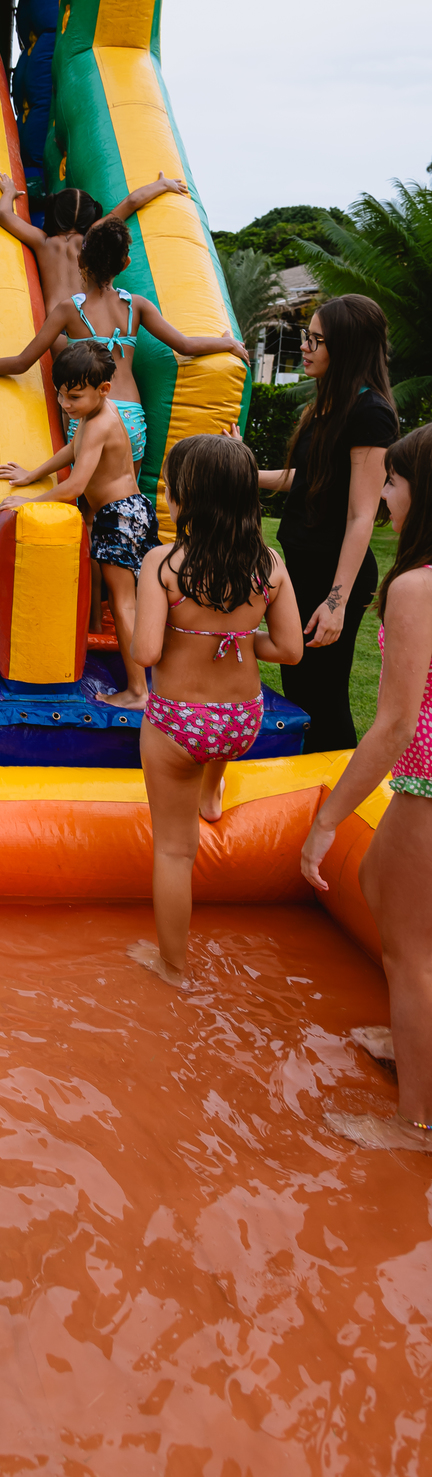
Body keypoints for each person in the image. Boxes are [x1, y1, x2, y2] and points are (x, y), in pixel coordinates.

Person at [128, 434, 303, 987]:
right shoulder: (269, 565)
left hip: (181, 724)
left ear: (188, 499)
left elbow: (148, 652)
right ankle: (212, 793)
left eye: (172, 488)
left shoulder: (164, 563)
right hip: (243, 721)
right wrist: (237, 637)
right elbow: (290, 649)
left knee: (176, 852)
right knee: (219, 740)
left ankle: (172, 968)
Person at [300, 425, 432, 1151]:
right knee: (381, 882)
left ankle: (416, 1121)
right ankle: (412, 1040)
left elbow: (393, 723)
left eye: (393, 481)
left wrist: (327, 820)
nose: (383, 495)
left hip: (426, 781)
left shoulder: (416, 586)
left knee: (411, 950)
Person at [0, 214, 249, 471]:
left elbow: (22, 362)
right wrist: (226, 343)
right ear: (126, 263)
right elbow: (185, 345)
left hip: (89, 414)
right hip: (130, 418)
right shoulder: (137, 306)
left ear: (81, 259)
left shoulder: (69, 310)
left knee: (90, 507)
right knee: (126, 501)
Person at [249, 294, 398, 753]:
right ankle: (311, 795)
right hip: (302, 567)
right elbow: (307, 479)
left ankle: (339, 801)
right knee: (300, 691)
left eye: (316, 339)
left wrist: (336, 601)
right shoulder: (328, 404)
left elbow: (361, 515)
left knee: (324, 697)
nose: (305, 347)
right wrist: (243, 470)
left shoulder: (370, 414)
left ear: (346, 346)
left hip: (334, 575)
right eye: (305, 337)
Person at [0, 341, 159, 707]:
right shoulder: (94, 415)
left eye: (74, 396)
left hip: (119, 518)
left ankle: (138, 692)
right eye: (61, 395)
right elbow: (74, 450)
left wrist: (29, 501)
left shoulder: (100, 422)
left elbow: (76, 485)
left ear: (103, 389)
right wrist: (32, 474)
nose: (66, 405)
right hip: (131, 512)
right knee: (135, 601)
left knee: (124, 605)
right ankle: (149, 679)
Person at [0, 171, 190, 319]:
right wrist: (163, 185)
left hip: (55, 326)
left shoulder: (42, 242)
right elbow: (132, 201)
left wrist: (8, 191)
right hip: (87, 324)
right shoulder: (91, 237)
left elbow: (3, 215)